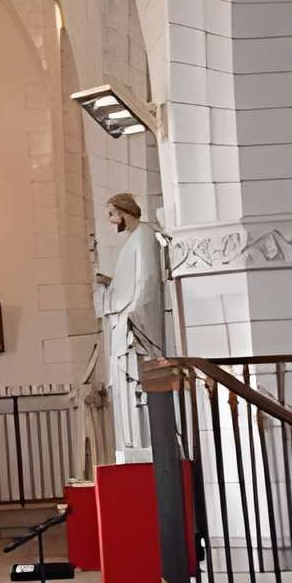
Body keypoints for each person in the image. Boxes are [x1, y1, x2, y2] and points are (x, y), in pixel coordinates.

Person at [94, 191, 166, 462]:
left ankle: (143, 444)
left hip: (134, 324)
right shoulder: (131, 241)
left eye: (112, 215)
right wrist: (110, 284)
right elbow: (130, 284)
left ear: (124, 212)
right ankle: (132, 444)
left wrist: (133, 314)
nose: (112, 221)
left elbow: (147, 282)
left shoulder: (144, 236)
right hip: (122, 320)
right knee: (124, 388)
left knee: (136, 384)